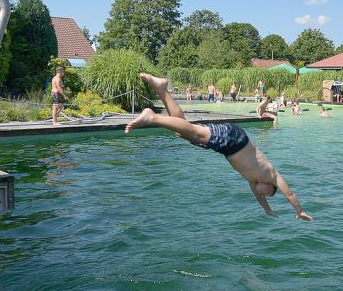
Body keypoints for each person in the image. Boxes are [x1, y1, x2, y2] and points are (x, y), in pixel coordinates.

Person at [126, 73, 312, 220]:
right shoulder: (271, 174)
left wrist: (267, 211)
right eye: (268, 194)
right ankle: (152, 117)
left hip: (227, 147)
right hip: (235, 140)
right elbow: (290, 194)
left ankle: (162, 89)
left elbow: (259, 198)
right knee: (194, 132)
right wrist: (299, 211)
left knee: (186, 132)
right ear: (271, 186)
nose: (262, 194)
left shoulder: (253, 181)